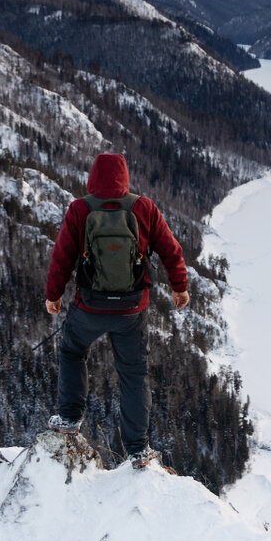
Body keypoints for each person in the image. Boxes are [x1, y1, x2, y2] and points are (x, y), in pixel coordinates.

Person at [44, 153, 190, 469]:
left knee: (72, 351)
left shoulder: (80, 209)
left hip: (89, 306)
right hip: (131, 309)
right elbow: (170, 249)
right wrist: (179, 287)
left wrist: (53, 296)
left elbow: (62, 258)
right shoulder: (144, 207)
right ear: (124, 177)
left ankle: (69, 417)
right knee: (134, 375)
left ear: (92, 177)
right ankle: (137, 450)